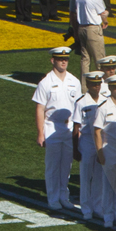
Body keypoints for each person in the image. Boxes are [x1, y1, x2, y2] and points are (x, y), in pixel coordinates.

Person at [31, 47, 82, 212]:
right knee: (53, 165)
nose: (63, 61)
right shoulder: (46, 82)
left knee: (66, 164)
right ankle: (53, 199)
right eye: (60, 59)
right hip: (51, 125)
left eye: (66, 59)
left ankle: (63, 196)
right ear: (53, 60)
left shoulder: (74, 81)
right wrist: (40, 133)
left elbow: (78, 107)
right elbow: (40, 109)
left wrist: (78, 129)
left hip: (69, 126)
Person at [71, 0, 108, 76]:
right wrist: (105, 20)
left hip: (81, 27)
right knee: (100, 60)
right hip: (93, 28)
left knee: (85, 59)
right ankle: (102, 87)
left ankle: (84, 87)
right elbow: (102, 13)